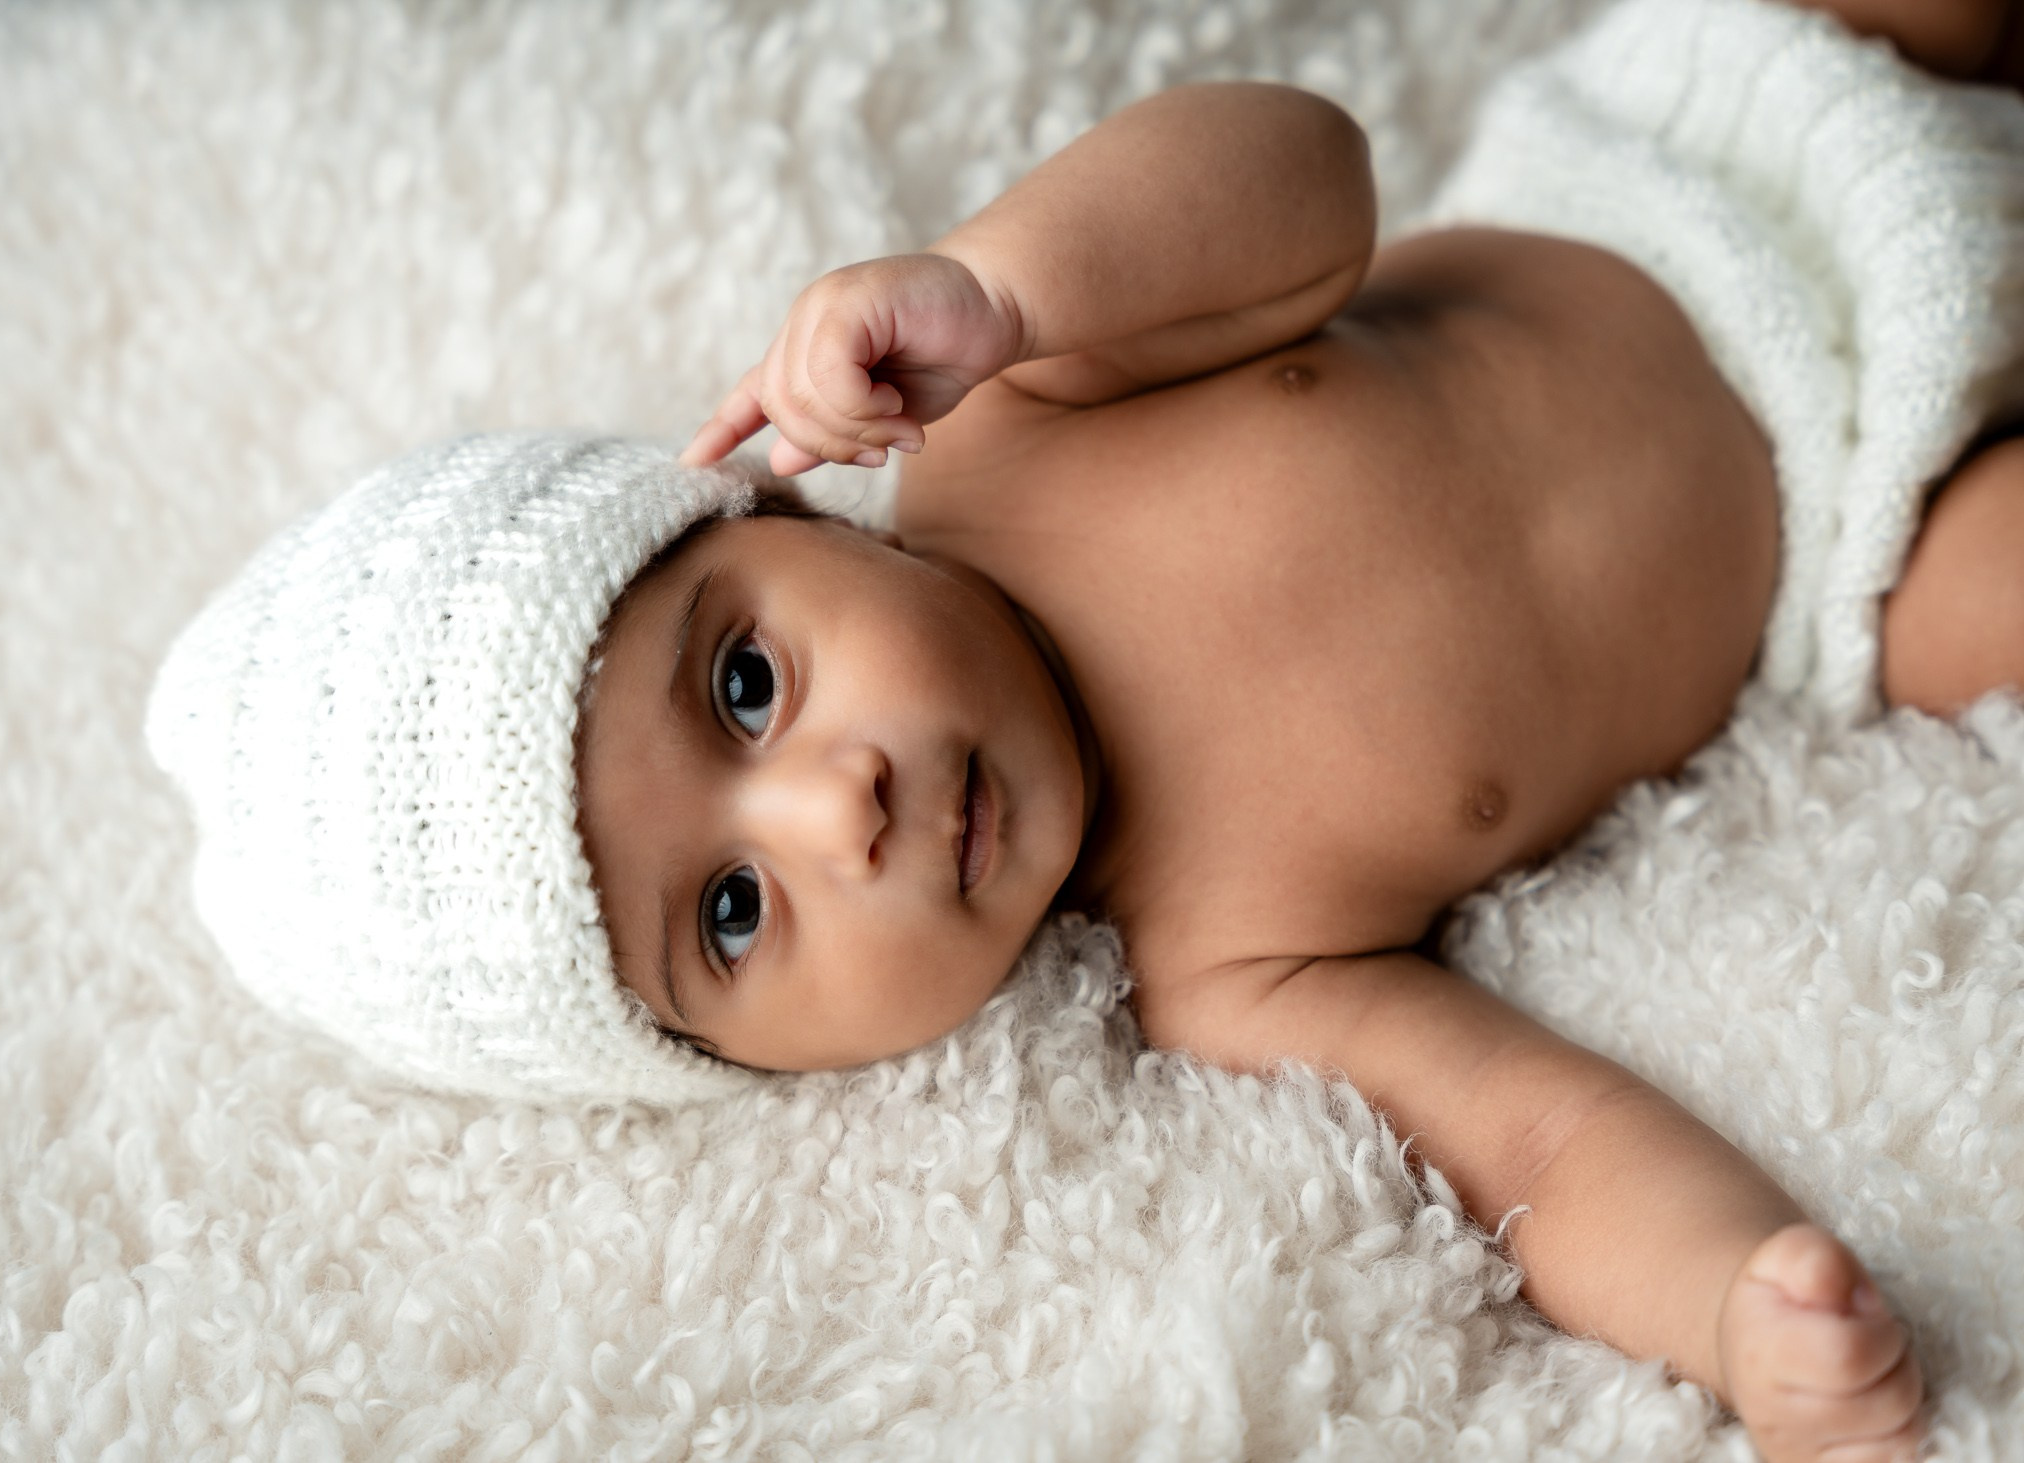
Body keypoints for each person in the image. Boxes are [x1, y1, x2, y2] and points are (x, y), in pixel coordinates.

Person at [147, 1, 2024, 1458]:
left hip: (1707, 168)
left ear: (779, 516)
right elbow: (1536, 1155)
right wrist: (1735, 1314)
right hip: (1851, 549)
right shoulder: (1229, 967)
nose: (838, 810)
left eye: (745, 687)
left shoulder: (1021, 409)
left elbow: (1310, 181)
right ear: (764, 1072)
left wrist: (1007, 281)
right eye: (731, 916)